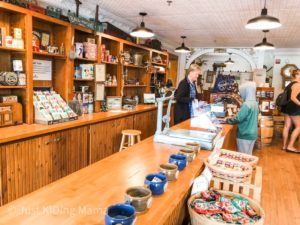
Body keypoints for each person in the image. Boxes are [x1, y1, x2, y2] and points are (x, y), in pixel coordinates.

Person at [226, 81, 259, 155]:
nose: (241, 94)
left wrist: (227, 120)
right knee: (248, 155)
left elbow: (238, 119)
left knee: (242, 156)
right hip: (253, 134)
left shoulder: (246, 104)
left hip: (245, 134)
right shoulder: (255, 103)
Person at [281, 69, 300, 153]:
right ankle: (290, 146)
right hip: (294, 108)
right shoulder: (298, 84)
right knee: (299, 126)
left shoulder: (290, 84)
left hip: (286, 107)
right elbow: (293, 97)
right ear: (297, 75)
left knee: (286, 126)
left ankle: (284, 146)